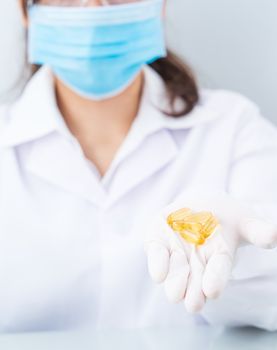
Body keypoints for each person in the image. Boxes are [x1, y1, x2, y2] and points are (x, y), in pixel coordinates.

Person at [0, 0, 276, 332]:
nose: (95, 9)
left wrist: (241, 257)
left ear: (158, 6)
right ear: (25, 10)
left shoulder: (234, 126)